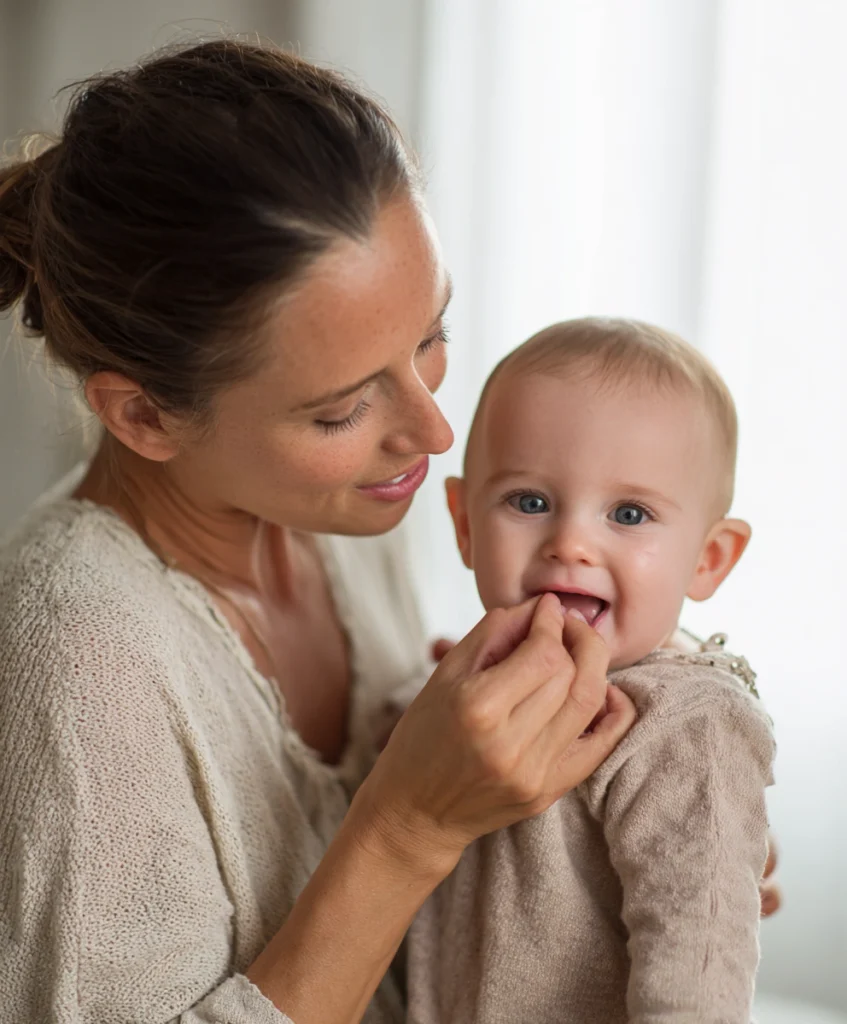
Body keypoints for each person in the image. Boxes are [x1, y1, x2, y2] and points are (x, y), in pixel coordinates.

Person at [0, 40, 638, 1024]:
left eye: (429, 336)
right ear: (144, 417)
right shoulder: (73, 663)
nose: (433, 429)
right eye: (340, 411)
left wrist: (627, 853)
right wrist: (408, 825)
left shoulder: (336, 519)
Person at [404, 318, 776, 1024]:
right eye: (530, 502)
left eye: (628, 514)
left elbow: (697, 961)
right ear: (463, 525)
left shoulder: (689, 723)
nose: (570, 542)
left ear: (707, 560)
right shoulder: (476, 678)